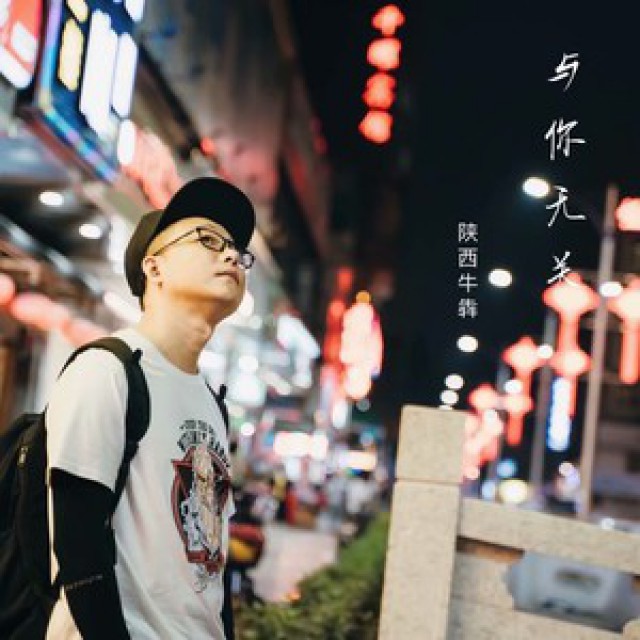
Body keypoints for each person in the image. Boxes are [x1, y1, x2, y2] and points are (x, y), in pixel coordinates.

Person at [45, 177, 256, 639]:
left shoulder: (211, 403)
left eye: (237, 250)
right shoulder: (108, 371)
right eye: (208, 240)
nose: (230, 255)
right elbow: (78, 550)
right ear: (154, 267)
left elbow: (212, 563)